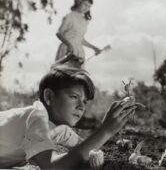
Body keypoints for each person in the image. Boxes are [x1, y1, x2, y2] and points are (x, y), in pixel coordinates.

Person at [0, 65, 138, 169]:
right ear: (49, 97)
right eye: (74, 97)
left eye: (84, 101)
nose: (81, 106)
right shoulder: (37, 118)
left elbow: (83, 148)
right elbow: (53, 167)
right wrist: (105, 130)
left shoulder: (58, 130)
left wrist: (95, 154)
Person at [55, 0, 102, 67]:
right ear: (79, 3)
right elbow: (59, 33)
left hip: (79, 51)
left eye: (89, 6)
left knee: (79, 76)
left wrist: (94, 48)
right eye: (85, 5)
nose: (86, 8)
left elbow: (80, 39)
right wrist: (69, 45)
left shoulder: (84, 20)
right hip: (67, 50)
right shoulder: (70, 16)